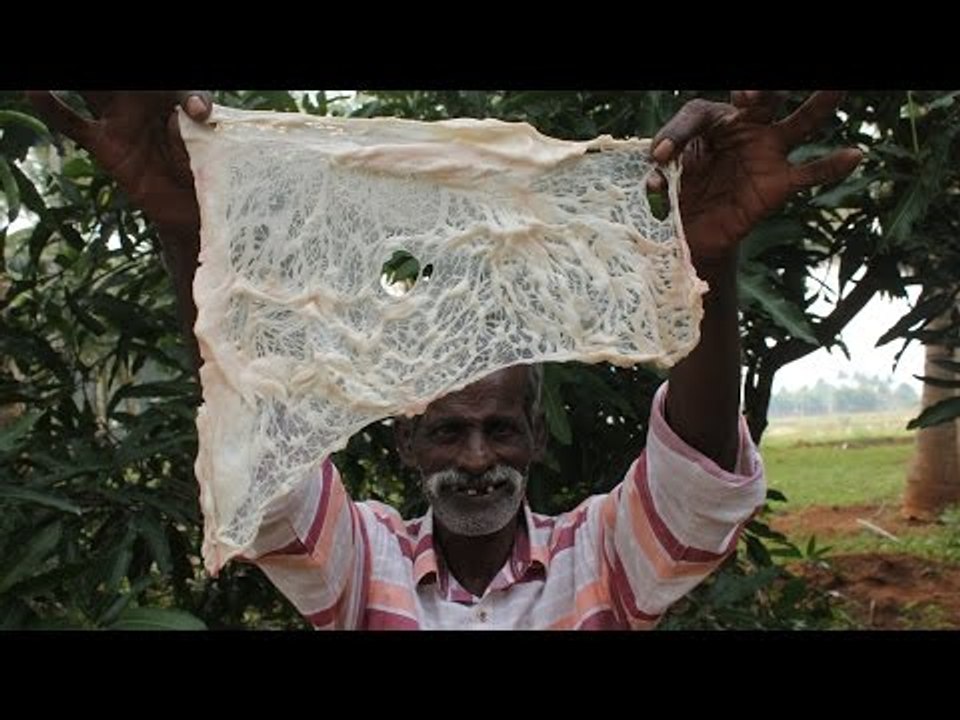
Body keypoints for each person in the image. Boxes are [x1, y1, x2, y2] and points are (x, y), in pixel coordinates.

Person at [27, 90, 862, 629]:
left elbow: (700, 484)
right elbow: (267, 450)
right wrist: (188, 232)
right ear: (405, 445)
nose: (475, 458)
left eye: (501, 429)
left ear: (538, 438)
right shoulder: (361, 567)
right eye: (448, 431)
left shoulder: (600, 563)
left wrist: (705, 262)